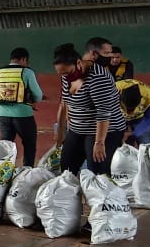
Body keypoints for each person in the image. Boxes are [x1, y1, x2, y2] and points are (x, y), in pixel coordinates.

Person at [52, 41, 127, 175]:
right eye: (61, 74)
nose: (64, 77)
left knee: (97, 173)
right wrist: (60, 131)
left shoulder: (98, 78)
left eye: (67, 73)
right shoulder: (67, 76)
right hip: (77, 129)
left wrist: (99, 143)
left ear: (79, 63)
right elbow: (64, 103)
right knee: (67, 170)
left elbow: (103, 113)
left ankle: (99, 195)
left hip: (104, 130)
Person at [0, 47, 44, 167]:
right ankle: (26, 173)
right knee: (29, 146)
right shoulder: (27, 72)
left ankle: (3, 175)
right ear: (23, 59)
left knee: (5, 149)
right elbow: (38, 96)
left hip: (3, 116)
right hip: (24, 116)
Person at [117, 78, 150, 145]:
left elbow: (149, 119)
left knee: (146, 144)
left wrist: (135, 135)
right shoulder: (111, 91)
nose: (130, 113)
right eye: (127, 108)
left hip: (139, 118)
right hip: (117, 118)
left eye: (133, 108)